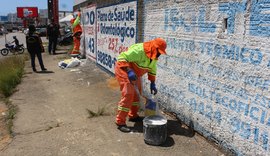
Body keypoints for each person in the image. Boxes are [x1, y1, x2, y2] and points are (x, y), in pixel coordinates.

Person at [114, 38, 167, 132]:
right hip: (124, 70)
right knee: (128, 94)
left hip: (135, 74)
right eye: (159, 51)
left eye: (160, 52)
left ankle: (133, 115)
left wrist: (152, 82)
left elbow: (152, 68)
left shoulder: (154, 56)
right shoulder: (139, 50)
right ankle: (120, 121)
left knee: (137, 95)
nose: (159, 54)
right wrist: (129, 70)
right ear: (154, 47)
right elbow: (122, 57)